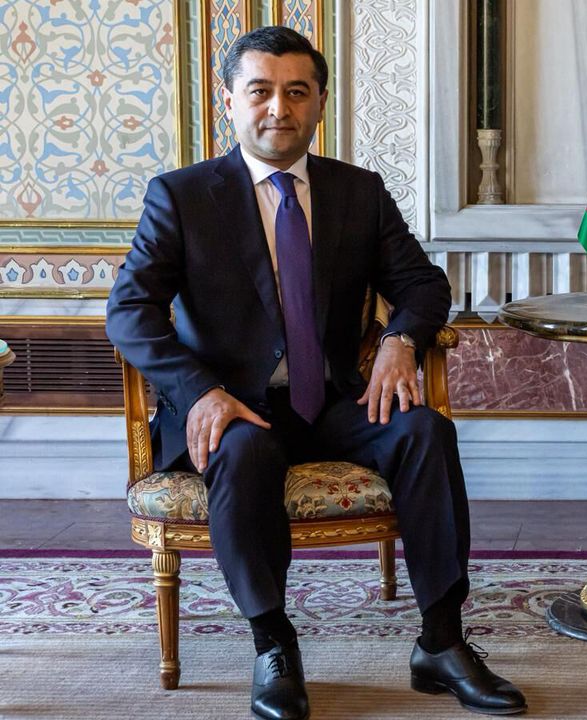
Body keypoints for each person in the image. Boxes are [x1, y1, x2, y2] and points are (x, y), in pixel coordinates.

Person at [106, 26, 527, 720]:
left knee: (425, 431)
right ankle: (274, 646)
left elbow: (423, 284)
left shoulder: (357, 192)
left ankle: (442, 642)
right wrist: (200, 391)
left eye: (297, 92)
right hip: (234, 408)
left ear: (320, 103)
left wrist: (399, 340)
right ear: (229, 101)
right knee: (244, 450)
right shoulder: (182, 196)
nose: (279, 108)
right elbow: (129, 312)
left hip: (331, 400)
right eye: (260, 91)